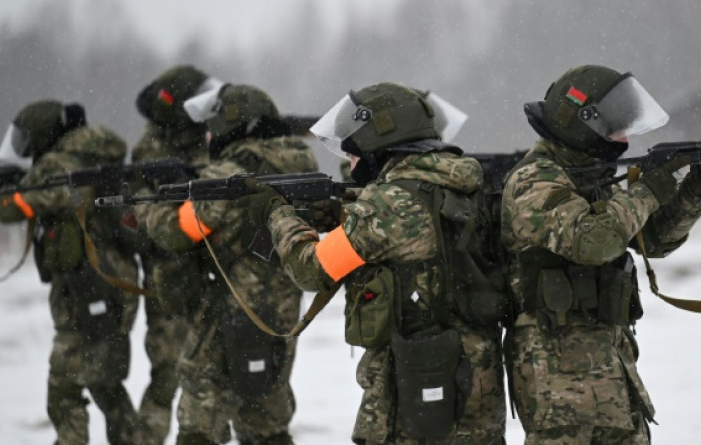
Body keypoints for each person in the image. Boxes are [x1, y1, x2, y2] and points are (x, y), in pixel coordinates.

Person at [246, 83, 507, 444]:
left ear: (380, 144)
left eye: (353, 151)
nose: (350, 162)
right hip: (479, 374)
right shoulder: (464, 184)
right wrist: (344, 215)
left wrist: (278, 215)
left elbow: (312, 269)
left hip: (417, 379)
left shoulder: (388, 203)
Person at [500, 65, 701, 444]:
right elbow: (593, 242)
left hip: (610, 367)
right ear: (582, 124)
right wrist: (648, 191)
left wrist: (693, 192)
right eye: (614, 127)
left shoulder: (591, 178)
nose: (622, 137)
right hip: (557, 382)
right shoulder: (535, 181)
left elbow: (654, 240)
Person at [136, 83, 316, 445]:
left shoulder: (230, 172)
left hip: (225, 313)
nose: (207, 133)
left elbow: (177, 231)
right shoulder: (301, 163)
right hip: (279, 314)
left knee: (199, 426)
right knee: (266, 421)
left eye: (212, 124)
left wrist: (146, 203)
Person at [0, 100, 143, 444]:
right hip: (107, 285)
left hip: (94, 289)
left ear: (45, 135)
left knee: (64, 390)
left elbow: (16, 206)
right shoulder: (91, 157)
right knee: (104, 382)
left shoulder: (62, 165)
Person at [131, 65, 215, 444]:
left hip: (210, 275)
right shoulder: (152, 151)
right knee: (168, 375)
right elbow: (144, 220)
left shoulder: (205, 138)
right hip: (171, 279)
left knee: (211, 378)